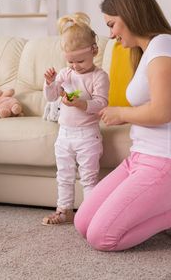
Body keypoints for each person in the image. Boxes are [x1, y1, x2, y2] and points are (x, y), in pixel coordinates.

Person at [74, 0, 171, 250]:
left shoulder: (165, 47)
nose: (111, 35)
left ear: (130, 15)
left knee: (101, 238)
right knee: (82, 223)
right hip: (139, 159)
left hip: (167, 163)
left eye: (112, 25)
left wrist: (121, 113)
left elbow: (163, 112)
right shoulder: (147, 52)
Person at [42, 12, 109, 225]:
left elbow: (101, 103)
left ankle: (90, 215)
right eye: (70, 61)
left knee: (88, 178)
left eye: (80, 60)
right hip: (64, 135)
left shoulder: (99, 76)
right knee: (64, 175)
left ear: (94, 51)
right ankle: (64, 210)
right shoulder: (66, 73)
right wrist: (50, 83)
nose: (75, 66)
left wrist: (80, 103)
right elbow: (52, 97)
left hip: (87, 135)